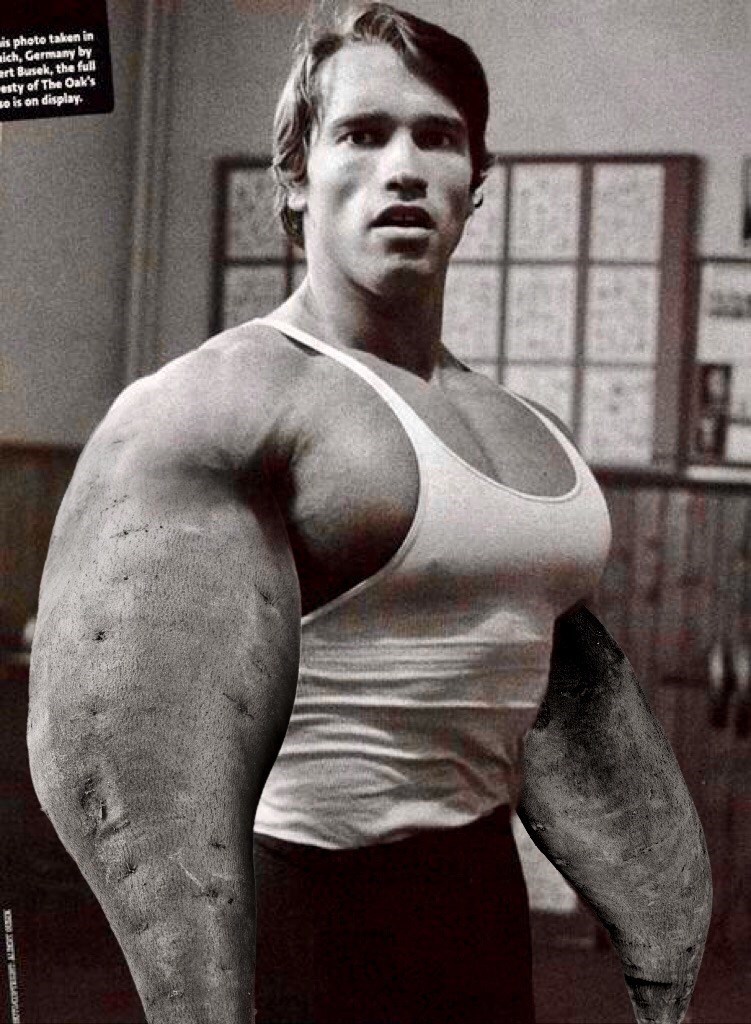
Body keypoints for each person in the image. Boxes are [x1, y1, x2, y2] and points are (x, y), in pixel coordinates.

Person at [27, 4, 711, 1023]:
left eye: (437, 137)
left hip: (478, 896)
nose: (404, 169)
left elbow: (559, 675)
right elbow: (117, 755)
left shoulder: (524, 428)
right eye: (361, 133)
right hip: (306, 914)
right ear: (295, 177)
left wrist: (661, 940)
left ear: (476, 182)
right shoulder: (218, 403)